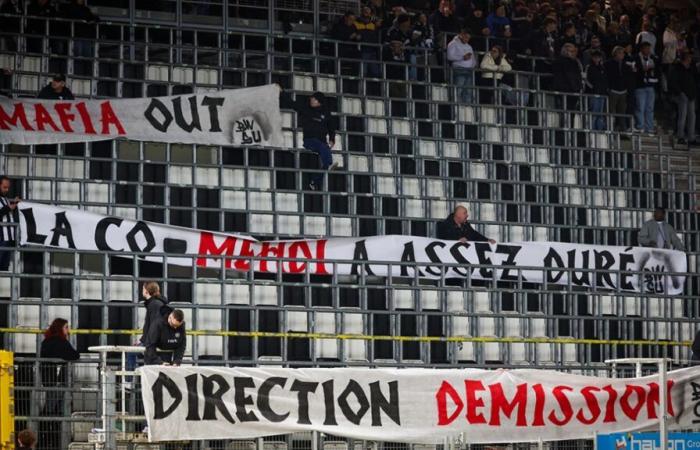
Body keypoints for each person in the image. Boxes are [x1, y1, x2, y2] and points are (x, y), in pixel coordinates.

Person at [280, 91, 338, 191]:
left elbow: (331, 127)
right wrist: (282, 92)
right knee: (325, 153)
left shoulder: (326, 112)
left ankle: (314, 182)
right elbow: (291, 103)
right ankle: (329, 164)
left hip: (322, 142)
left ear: (319, 101)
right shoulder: (306, 109)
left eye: (314, 99)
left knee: (325, 161)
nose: (311, 100)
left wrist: (332, 139)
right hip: (309, 140)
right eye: (311, 98)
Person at [39, 318, 79, 450]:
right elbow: (74, 355)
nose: (68, 330)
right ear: (60, 328)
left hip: (49, 380)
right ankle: (50, 440)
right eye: (66, 327)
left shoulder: (46, 341)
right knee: (53, 410)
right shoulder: (61, 342)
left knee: (53, 409)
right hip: (58, 381)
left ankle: (47, 438)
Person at [668, 51, 697, 146]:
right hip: (681, 95)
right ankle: (680, 136)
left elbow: (695, 81)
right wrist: (680, 92)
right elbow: (673, 82)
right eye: (689, 57)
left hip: (691, 95)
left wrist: (694, 93)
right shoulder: (677, 68)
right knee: (682, 116)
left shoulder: (692, 68)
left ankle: (691, 137)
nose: (690, 59)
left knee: (692, 117)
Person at [604, 46, 634, 131]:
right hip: (613, 91)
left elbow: (628, 78)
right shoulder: (608, 64)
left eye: (623, 53)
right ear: (615, 54)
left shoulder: (626, 65)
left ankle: (622, 129)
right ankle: (610, 128)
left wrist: (627, 89)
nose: (622, 55)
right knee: (611, 111)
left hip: (623, 91)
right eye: (620, 53)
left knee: (622, 112)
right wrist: (609, 88)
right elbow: (606, 77)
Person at [633, 41, 659, 134]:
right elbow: (634, 71)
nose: (648, 50)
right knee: (640, 107)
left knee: (650, 108)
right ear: (642, 49)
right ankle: (640, 126)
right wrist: (642, 70)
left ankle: (649, 127)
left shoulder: (652, 58)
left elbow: (656, 71)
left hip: (650, 86)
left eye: (649, 48)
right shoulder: (636, 58)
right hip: (640, 86)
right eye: (646, 48)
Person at [447, 28, 476, 104]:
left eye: (468, 38)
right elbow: (450, 56)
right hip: (459, 69)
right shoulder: (453, 43)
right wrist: (462, 57)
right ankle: (457, 107)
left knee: (468, 91)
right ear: (461, 35)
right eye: (466, 37)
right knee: (458, 90)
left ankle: (467, 107)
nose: (467, 40)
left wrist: (472, 65)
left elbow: (473, 59)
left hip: (468, 70)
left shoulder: (469, 46)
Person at [584, 49, 608, 131]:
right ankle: (592, 128)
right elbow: (586, 80)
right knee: (593, 112)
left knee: (600, 113)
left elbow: (605, 80)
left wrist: (604, 89)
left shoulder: (603, 68)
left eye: (598, 57)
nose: (597, 59)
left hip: (602, 93)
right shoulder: (589, 67)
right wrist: (592, 88)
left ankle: (599, 129)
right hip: (593, 94)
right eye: (595, 57)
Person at [0, 176, 19, 271]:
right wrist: (9, 208)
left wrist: (14, 204)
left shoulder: (5, 199)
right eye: (4, 187)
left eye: (8, 187)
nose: (7, 190)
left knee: (4, 267)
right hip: (1, 238)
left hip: (7, 237)